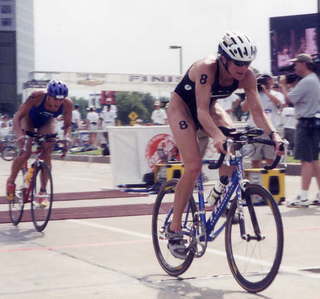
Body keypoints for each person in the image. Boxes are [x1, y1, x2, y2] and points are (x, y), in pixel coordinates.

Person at [166, 31, 284, 259]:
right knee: (192, 167)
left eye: (247, 63)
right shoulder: (206, 68)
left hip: (210, 110)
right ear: (224, 58)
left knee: (236, 142)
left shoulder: (248, 76)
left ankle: (220, 190)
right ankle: (175, 229)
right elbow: (199, 112)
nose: (243, 67)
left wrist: (275, 135)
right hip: (183, 109)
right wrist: (218, 137)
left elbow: (258, 112)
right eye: (238, 62)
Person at [6, 80, 72, 202]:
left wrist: (66, 138)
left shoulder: (67, 104)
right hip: (28, 120)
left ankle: (42, 191)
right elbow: (18, 117)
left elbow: (67, 126)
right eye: (55, 99)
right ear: (48, 95)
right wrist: (20, 135)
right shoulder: (37, 96)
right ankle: (11, 180)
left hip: (46, 122)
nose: (58, 103)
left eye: (61, 99)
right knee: (26, 152)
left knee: (47, 153)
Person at [280, 53, 320, 207]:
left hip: (306, 123)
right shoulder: (313, 79)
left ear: (304, 64)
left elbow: (289, 99)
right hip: (314, 122)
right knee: (314, 160)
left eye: (297, 64)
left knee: (306, 160)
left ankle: (303, 196)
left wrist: (283, 85)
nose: (294, 67)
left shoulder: (307, 81)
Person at [243, 74, 285, 168]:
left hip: (270, 131)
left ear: (271, 82)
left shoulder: (277, 94)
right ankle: (256, 181)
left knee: (270, 160)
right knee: (255, 160)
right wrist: (251, 93)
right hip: (255, 130)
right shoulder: (254, 94)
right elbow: (244, 108)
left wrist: (266, 91)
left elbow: (280, 104)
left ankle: (270, 181)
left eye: (266, 81)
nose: (263, 83)